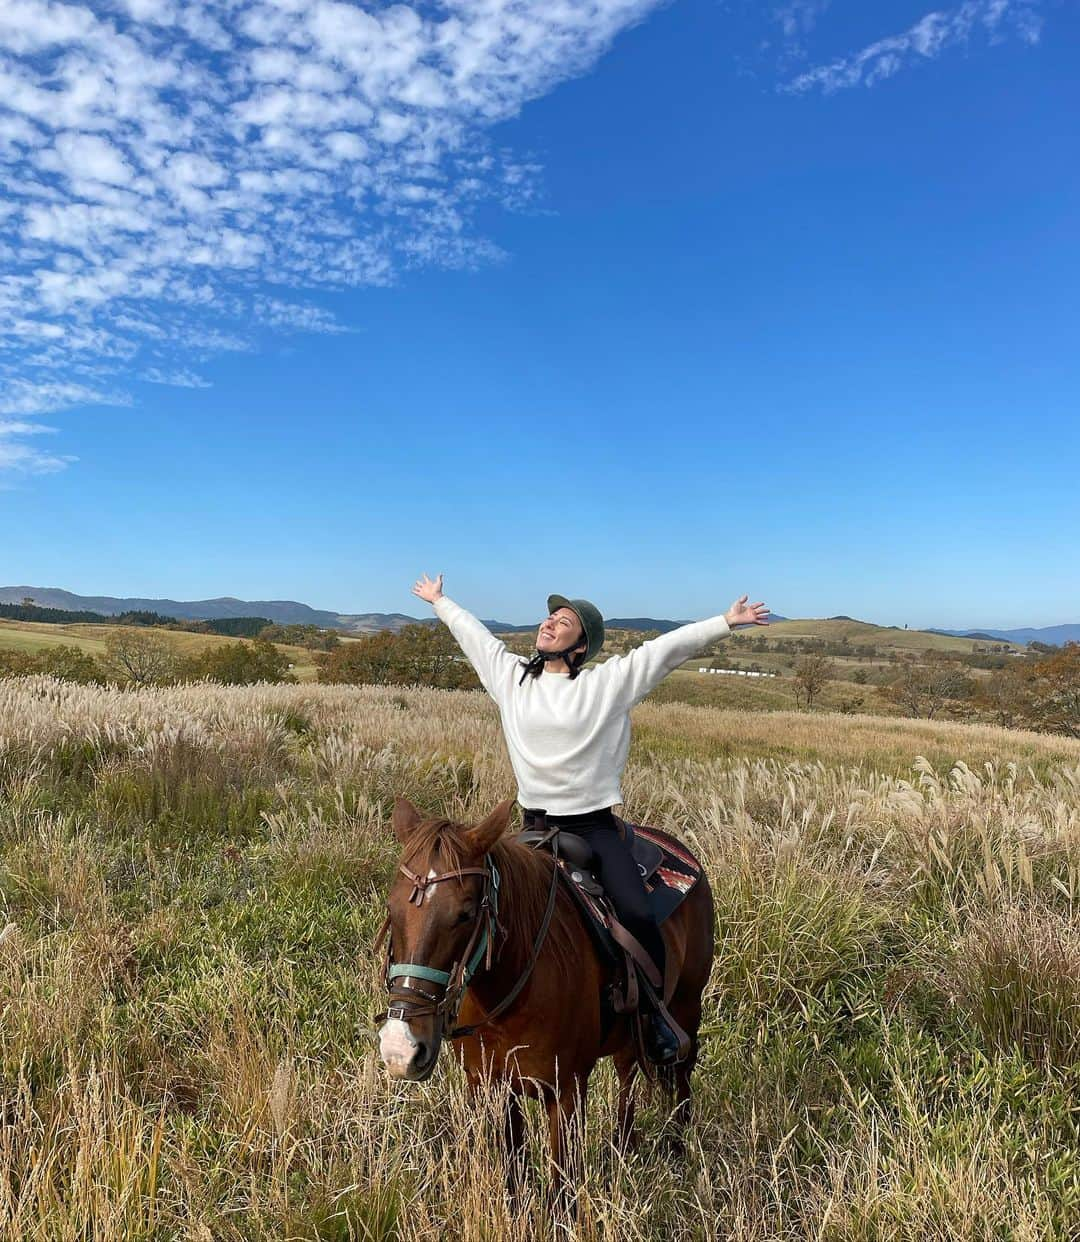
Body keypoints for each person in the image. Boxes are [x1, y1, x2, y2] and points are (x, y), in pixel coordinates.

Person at [411, 572, 769, 1063]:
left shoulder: (607, 685)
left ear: (581, 646)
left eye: (564, 621)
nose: (550, 623)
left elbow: (664, 650)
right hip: (532, 827)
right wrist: (440, 601)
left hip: (592, 827)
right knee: (476, 908)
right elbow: (475, 637)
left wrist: (727, 622)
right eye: (550, 617)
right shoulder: (512, 678)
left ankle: (652, 1021)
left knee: (638, 914)